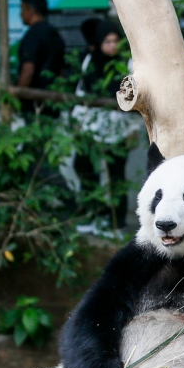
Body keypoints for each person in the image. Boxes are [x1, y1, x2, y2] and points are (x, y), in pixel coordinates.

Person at [72, 19, 137, 230]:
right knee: (84, 168)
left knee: (116, 176)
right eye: (107, 41)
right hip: (90, 127)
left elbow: (133, 98)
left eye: (115, 41)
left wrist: (133, 130)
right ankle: (93, 214)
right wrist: (78, 123)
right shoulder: (90, 61)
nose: (112, 46)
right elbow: (81, 92)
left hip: (118, 128)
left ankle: (115, 223)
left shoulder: (126, 64)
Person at [17, 0, 66, 113]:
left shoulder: (32, 36)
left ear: (31, 11)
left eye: (22, 9)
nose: (20, 14)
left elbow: (28, 70)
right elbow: (61, 71)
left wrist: (17, 97)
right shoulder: (54, 34)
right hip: (53, 101)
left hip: (33, 101)